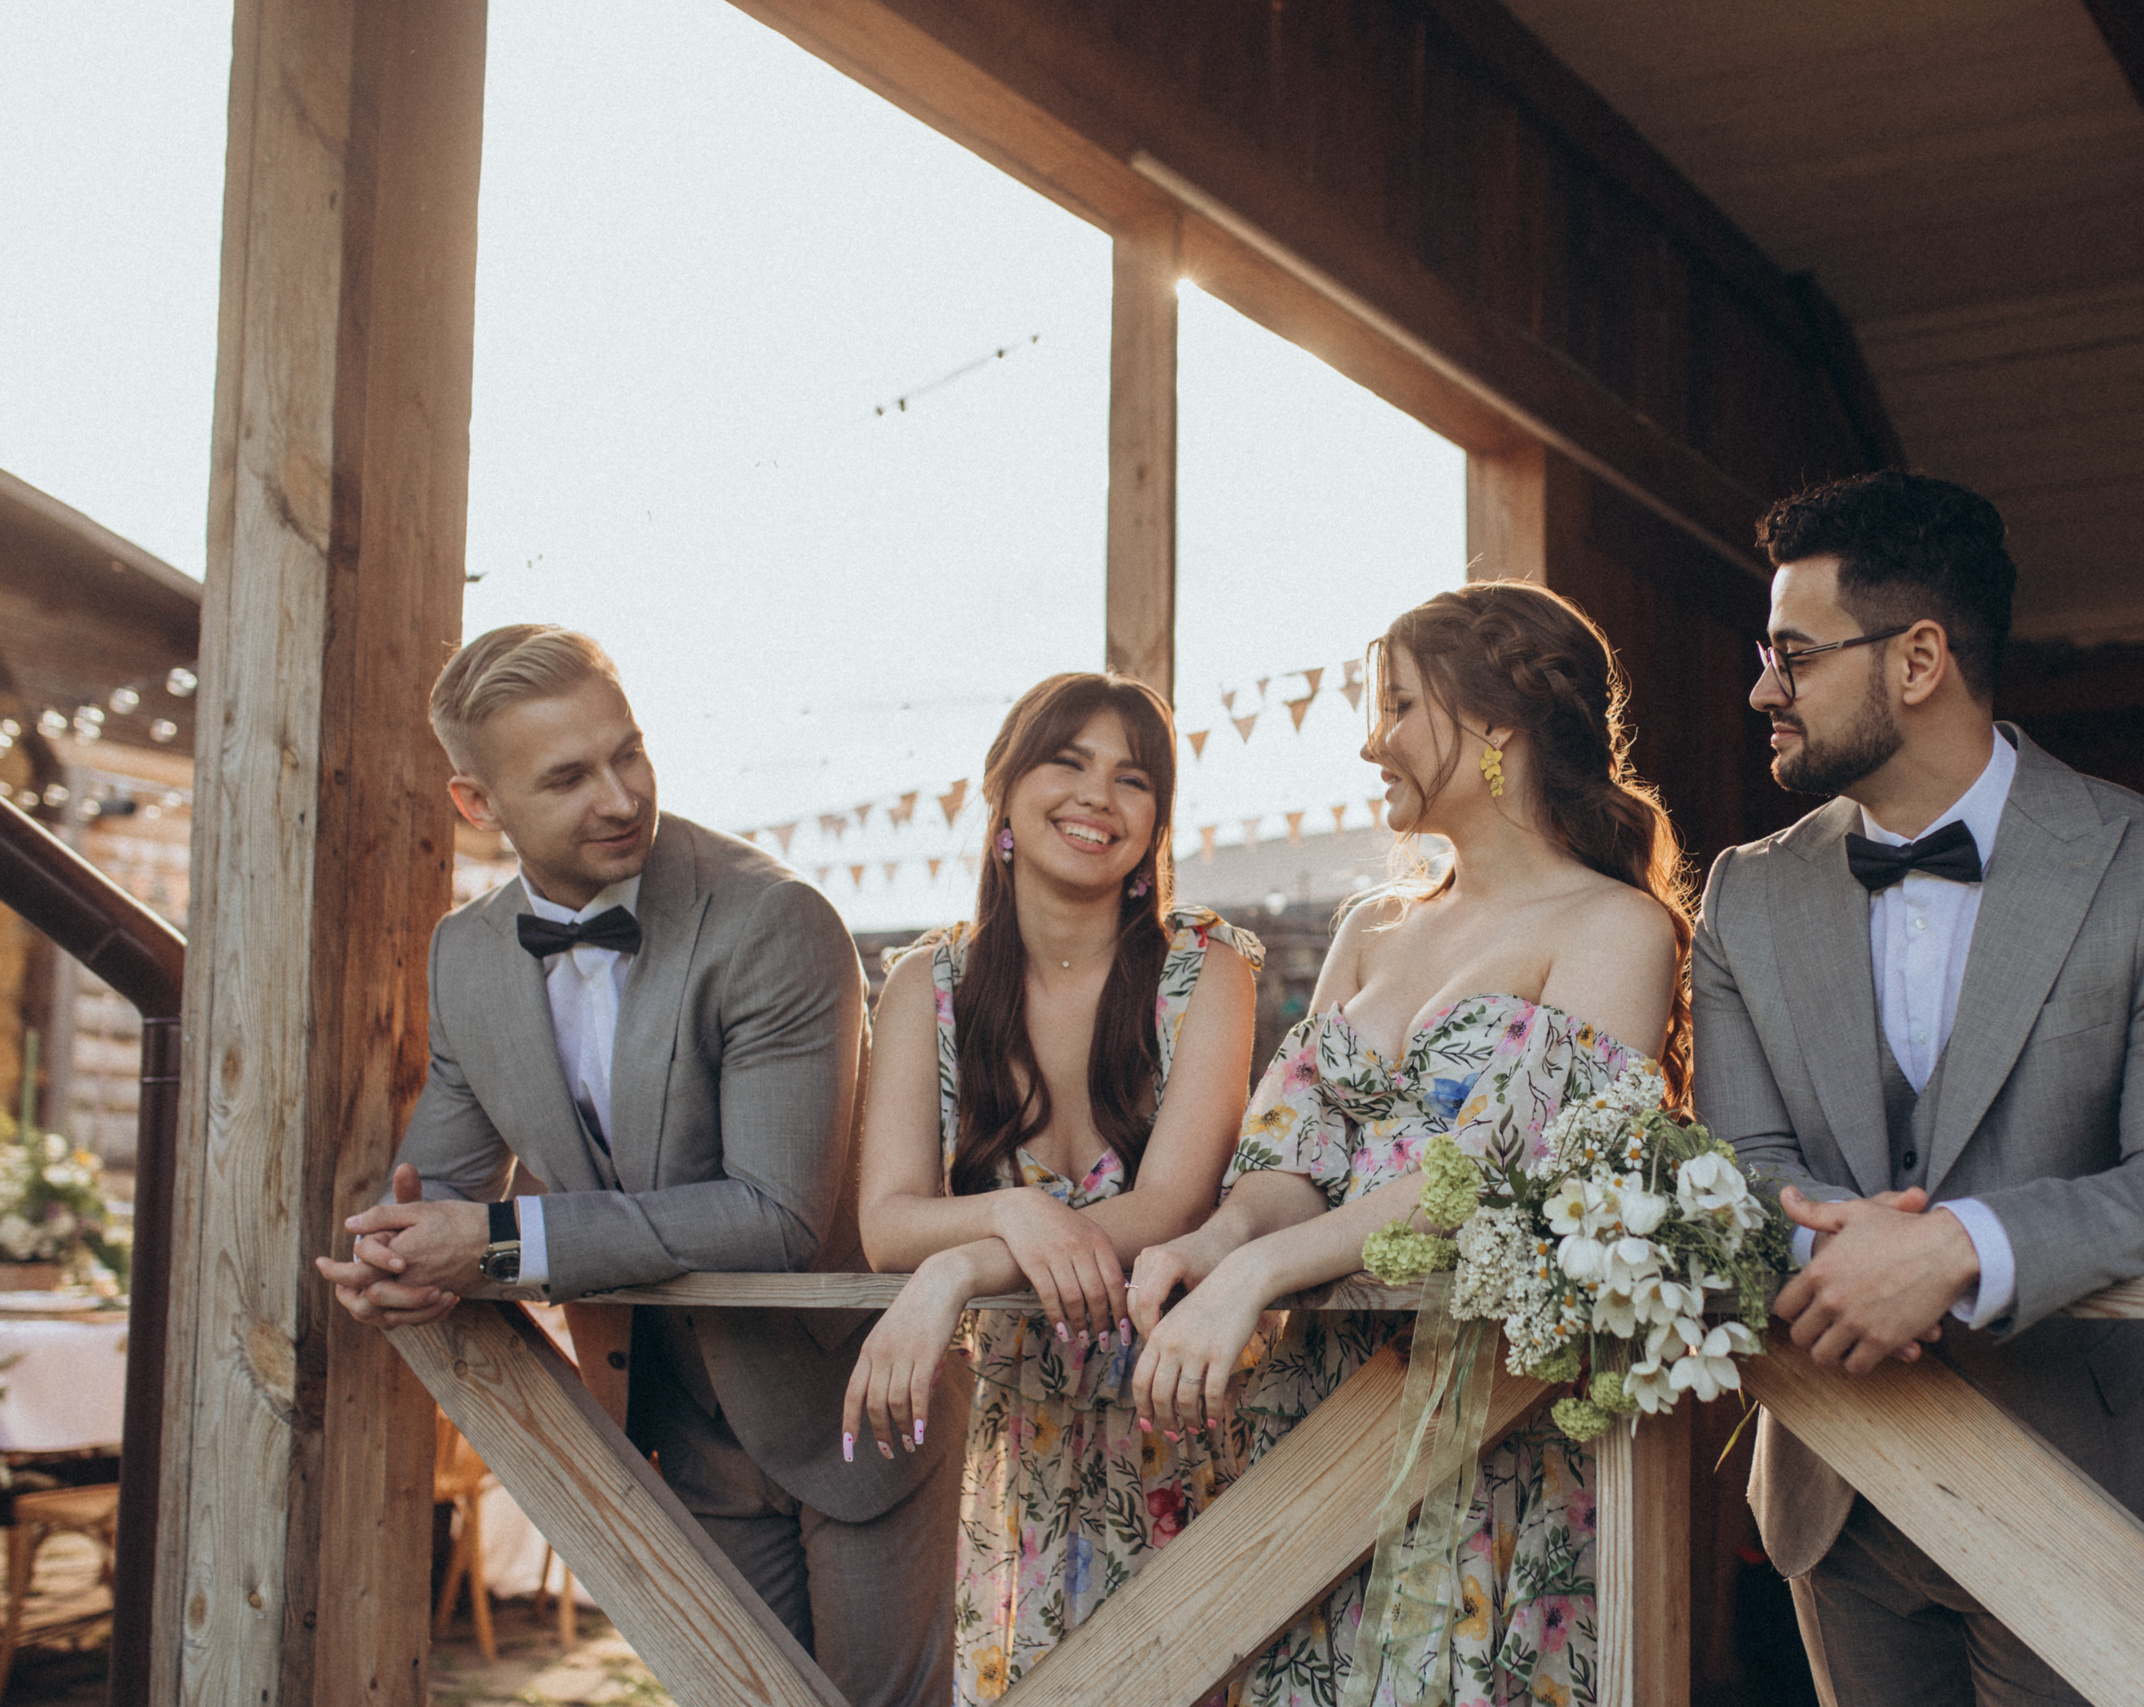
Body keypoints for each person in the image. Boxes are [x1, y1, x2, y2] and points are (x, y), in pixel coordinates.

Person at [1694, 471, 2144, 1706]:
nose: (1761, 689)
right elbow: (1736, 1163)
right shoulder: (1743, 892)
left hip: (2088, 1478)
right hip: (1836, 1489)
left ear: (1917, 660)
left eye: (1791, 654)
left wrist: (1960, 1247)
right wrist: (1848, 1253)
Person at [316, 626, 963, 1707]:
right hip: (672, 1421)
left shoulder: (773, 919)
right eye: (568, 777)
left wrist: (494, 1244)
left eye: (630, 752)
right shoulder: (466, 954)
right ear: (478, 807)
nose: (620, 796)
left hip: (854, 1407)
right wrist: (394, 1253)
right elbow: (438, 1183)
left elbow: (775, 1215)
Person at [1127, 582, 1691, 1707]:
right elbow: (1290, 1157)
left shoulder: (1615, 931)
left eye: (1394, 705)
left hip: (1485, 1426)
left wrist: (1259, 1271)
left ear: (1495, 725)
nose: (1369, 740)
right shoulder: (1370, 927)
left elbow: (1495, 1184)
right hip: (1311, 1413)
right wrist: (1222, 1241)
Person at [840, 671, 1261, 1702]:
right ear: (1003, 787)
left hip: (1188, 1407)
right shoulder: (926, 983)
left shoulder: (1207, 968)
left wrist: (958, 1271)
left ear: (1156, 819)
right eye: (1066, 762)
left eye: (1132, 779)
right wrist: (1010, 1210)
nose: (1097, 797)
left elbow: (1170, 1205)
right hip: (1020, 1434)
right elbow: (886, 1220)